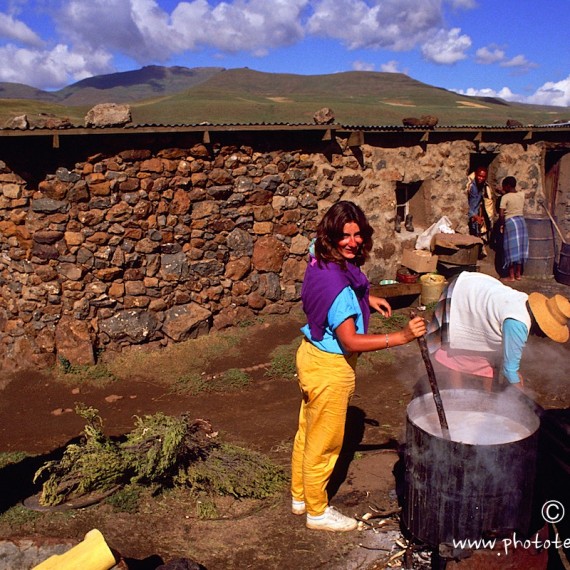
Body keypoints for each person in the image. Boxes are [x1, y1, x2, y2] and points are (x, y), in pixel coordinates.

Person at [291, 201, 426, 532]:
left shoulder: (318, 257)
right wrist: (401, 336)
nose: (353, 242)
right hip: (330, 369)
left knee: (308, 432)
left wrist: (368, 298)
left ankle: (300, 497)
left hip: (309, 355)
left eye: (357, 234)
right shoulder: (340, 293)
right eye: (344, 235)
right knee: (326, 444)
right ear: (331, 236)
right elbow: (350, 341)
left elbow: (349, 290)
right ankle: (317, 512)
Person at [426, 271, 570, 392]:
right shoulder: (518, 324)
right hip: (462, 293)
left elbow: (509, 360)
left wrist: (513, 370)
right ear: (541, 324)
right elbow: (509, 371)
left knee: (487, 358)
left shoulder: (524, 303)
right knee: (455, 351)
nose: (543, 337)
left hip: (475, 287)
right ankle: (456, 397)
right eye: (546, 332)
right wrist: (521, 396)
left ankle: (486, 400)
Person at [498, 176, 528, 281]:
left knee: (511, 249)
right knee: (519, 249)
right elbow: (515, 196)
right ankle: (518, 275)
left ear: (507, 186)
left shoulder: (505, 198)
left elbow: (501, 214)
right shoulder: (521, 195)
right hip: (521, 223)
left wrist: (501, 225)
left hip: (511, 223)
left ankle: (511, 276)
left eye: (503, 186)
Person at [466, 166, 496, 247]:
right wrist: (474, 215)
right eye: (479, 176)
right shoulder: (471, 186)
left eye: (483, 177)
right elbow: (466, 203)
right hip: (470, 215)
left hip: (476, 215)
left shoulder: (484, 187)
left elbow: (485, 202)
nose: (481, 178)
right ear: (475, 174)